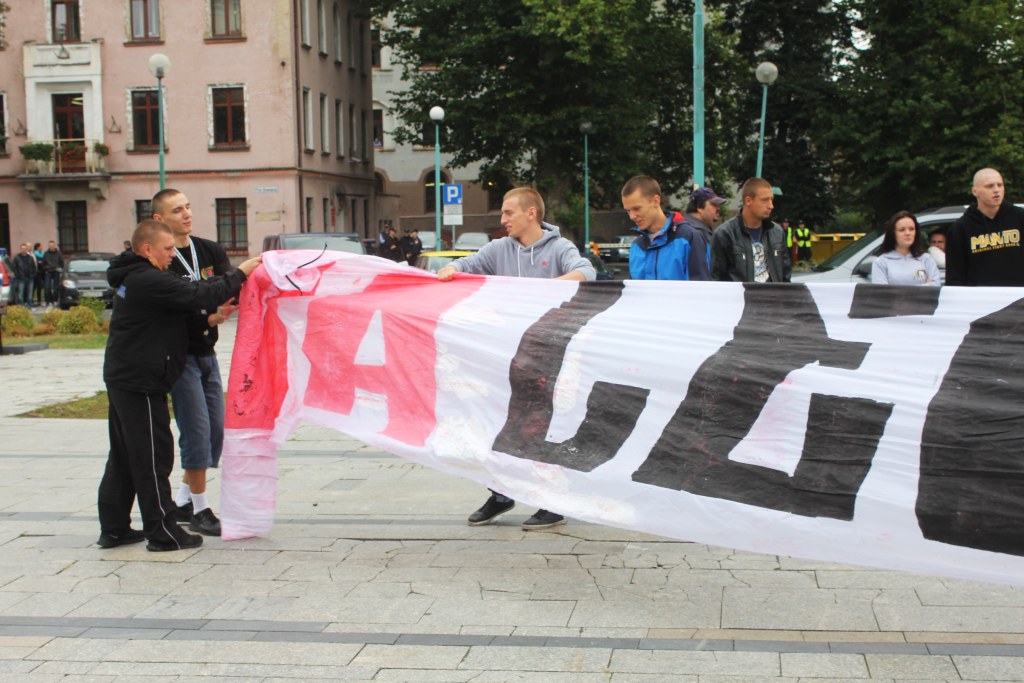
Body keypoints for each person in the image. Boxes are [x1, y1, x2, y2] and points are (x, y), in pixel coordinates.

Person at [97, 219, 261, 551]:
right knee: (152, 457)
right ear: (147, 249)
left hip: (127, 377)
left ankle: (114, 529)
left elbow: (185, 303)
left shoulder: (138, 275)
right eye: (168, 248)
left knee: (126, 455)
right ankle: (163, 532)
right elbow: (200, 293)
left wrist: (210, 318)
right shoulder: (147, 279)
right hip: (140, 382)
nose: (174, 254)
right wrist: (242, 272)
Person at [437, 187, 596, 530]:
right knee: (499, 422)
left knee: (543, 425)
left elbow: (586, 272)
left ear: (531, 213)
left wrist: (545, 289)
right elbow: (468, 263)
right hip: (507, 353)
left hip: (550, 356)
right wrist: (451, 267)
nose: (503, 219)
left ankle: (551, 502)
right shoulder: (500, 248)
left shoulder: (560, 248)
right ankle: (500, 493)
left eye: (508, 212)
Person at [152, 188, 237, 537]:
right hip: (180, 356)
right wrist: (209, 315)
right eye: (177, 210)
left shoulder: (208, 250)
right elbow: (179, 305)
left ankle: (184, 501)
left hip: (207, 353)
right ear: (159, 219)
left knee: (216, 430)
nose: (186, 214)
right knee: (197, 432)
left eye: (187, 207)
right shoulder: (163, 259)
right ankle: (200, 510)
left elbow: (229, 286)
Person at [620, 176, 714, 281]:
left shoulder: (689, 238)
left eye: (637, 208)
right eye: (628, 211)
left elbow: (701, 287)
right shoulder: (636, 246)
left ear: (656, 201)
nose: (632, 216)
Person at [946, 168, 1024, 287]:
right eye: (989, 186)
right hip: (981, 297)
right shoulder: (960, 228)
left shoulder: (1020, 217)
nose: (996, 190)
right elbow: (955, 276)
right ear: (975, 191)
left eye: (1000, 185)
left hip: (1019, 295)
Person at [711, 178, 791, 283]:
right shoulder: (724, 234)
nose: (771, 206)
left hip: (773, 293)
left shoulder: (777, 232)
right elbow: (716, 280)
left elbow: (786, 277)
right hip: (742, 294)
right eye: (765, 200)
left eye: (771, 200)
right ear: (748, 201)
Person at [870, 211, 940, 286]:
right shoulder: (881, 262)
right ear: (892, 233)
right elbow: (882, 292)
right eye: (902, 230)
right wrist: (925, 286)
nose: (908, 233)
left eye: (911, 229)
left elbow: (935, 287)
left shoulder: (926, 259)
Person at [12, 243, 37, 307]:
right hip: (21, 278)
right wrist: (18, 275)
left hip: (30, 278)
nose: (24, 250)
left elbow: (34, 267)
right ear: (20, 249)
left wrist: (33, 274)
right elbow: (14, 268)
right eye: (22, 248)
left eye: (25, 249)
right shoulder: (17, 258)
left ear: (27, 249)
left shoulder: (30, 257)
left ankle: (30, 305)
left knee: (30, 293)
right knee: (21, 293)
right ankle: (21, 306)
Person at [41, 241, 64, 306]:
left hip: (56, 271)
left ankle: (55, 300)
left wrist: (59, 268)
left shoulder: (59, 253)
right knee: (47, 287)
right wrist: (46, 269)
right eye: (50, 245)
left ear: (54, 245)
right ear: (48, 246)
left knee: (55, 287)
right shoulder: (46, 253)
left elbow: (62, 262)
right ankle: (48, 301)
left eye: (52, 245)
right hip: (48, 272)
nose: (51, 246)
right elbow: (43, 263)